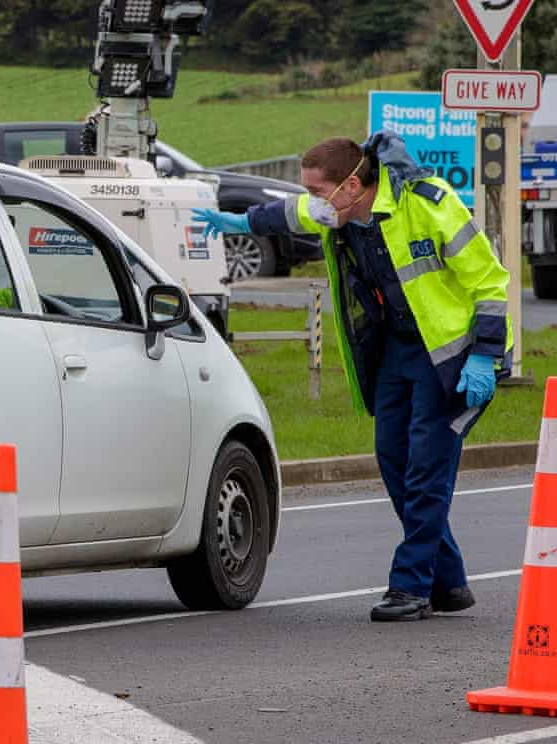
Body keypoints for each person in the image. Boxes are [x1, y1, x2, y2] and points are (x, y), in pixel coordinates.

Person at [195, 132, 512, 622]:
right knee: (393, 461)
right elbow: (290, 213)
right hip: (395, 353)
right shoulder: (339, 211)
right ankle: (447, 582)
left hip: (448, 356)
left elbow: (490, 282)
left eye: (318, 192)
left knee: (425, 471)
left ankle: (411, 587)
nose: (312, 203)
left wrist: (485, 355)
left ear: (351, 186)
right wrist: (241, 221)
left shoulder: (429, 205)